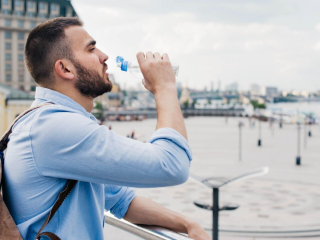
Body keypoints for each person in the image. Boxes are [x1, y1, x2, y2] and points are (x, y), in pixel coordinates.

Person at [3, 17, 210, 240]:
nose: (104, 56)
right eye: (91, 49)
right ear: (65, 68)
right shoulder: (54, 127)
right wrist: (165, 87)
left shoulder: (50, 122)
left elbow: (121, 200)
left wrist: (187, 224)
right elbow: (172, 165)